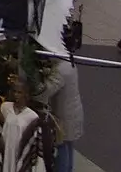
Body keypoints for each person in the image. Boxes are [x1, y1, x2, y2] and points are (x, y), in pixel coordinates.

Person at [38, 28, 83, 172]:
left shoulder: (60, 69)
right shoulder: (68, 62)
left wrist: (34, 89)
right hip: (72, 113)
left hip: (64, 117)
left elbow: (46, 91)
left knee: (62, 148)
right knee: (68, 147)